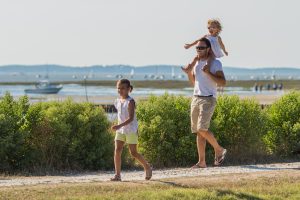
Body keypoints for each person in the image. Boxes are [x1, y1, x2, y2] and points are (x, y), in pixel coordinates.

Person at [182, 37, 227, 168]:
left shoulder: (215, 63)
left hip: (208, 98)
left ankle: (219, 149)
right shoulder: (196, 63)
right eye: (197, 48)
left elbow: (223, 82)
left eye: (201, 47)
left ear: (208, 49)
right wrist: (188, 73)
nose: (198, 50)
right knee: (198, 131)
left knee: (202, 128)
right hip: (196, 97)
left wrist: (208, 73)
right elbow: (194, 82)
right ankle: (202, 162)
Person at [110, 79, 152, 181]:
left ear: (129, 89)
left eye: (123, 88)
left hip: (131, 129)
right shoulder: (118, 101)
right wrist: (118, 126)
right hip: (121, 130)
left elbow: (131, 118)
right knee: (117, 150)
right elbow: (121, 115)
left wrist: (119, 126)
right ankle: (117, 175)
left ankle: (147, 167)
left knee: (133, 153)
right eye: (118, 88)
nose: (120, 90)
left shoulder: (130, 102)